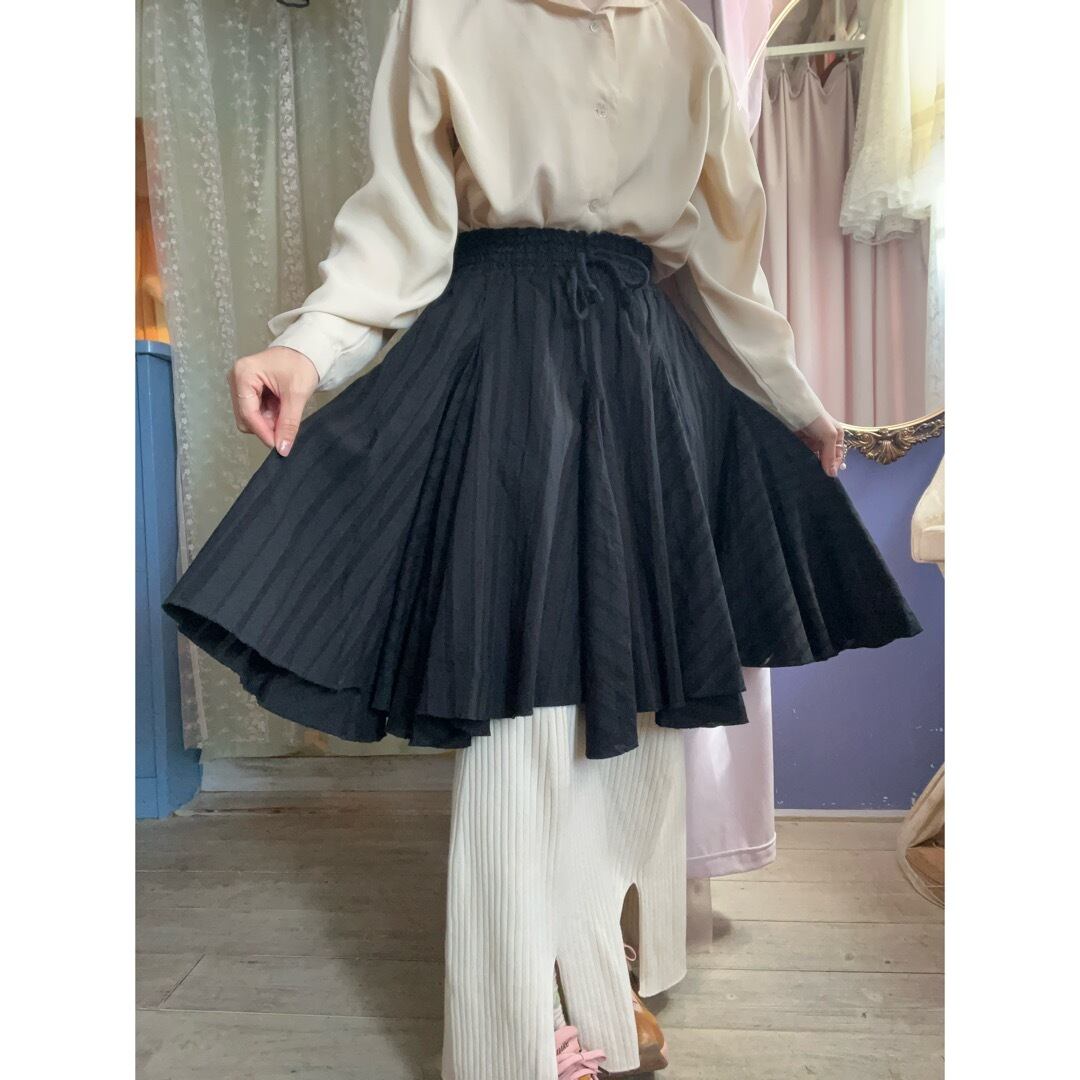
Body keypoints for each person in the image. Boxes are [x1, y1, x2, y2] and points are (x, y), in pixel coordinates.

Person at [163, 1, 922, 1076]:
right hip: (504, 364)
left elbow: (723, 261)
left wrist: (790, 399)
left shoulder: (684, 43)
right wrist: (310, 348)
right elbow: (400, 226)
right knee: (518, 716)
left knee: (645, 711)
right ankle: (503, 1041)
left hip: (643, 370)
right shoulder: (450, 16)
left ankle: (593, 994)